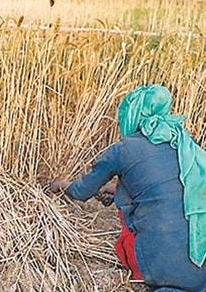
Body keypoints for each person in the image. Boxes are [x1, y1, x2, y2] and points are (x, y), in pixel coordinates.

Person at [50, 84, 206, 292]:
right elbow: (169, 188)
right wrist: (116, 190)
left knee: (129, 240)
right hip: (200, 257)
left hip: (162, 264)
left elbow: (81, 191)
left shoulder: (123, 149)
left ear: (132, 112)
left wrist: (60, 185)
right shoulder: (185, 143)